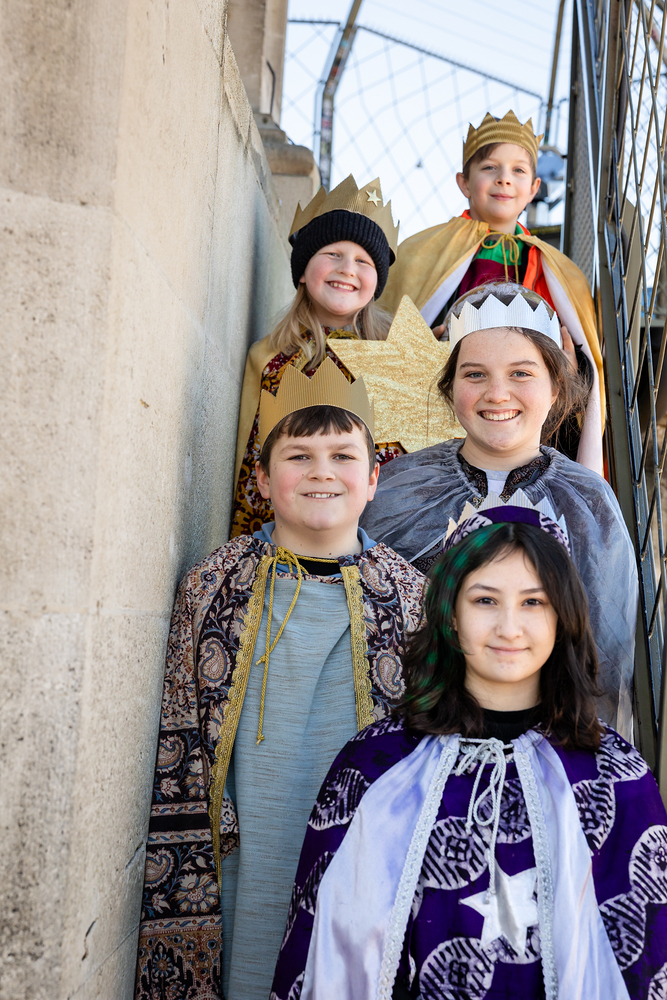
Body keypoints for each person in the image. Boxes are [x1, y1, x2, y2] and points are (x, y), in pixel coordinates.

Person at [271, 499, 667, 1000]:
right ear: (451, 615)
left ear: (563, 617)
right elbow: (316, 947)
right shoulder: (373, 764)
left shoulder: (615, 774)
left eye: (534, 602)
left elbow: (648, 956)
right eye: (485, 600)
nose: (509, 627)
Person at [134, 359, 425, 1000]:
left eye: (343, 457)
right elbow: (183, 725)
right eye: (299, 457)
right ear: (262, 480)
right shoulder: (215, 584)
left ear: (373, 479)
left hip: (357, 842)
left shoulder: (410, 598)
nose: (322, 472)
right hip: (247, 838)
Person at [361, 283, 637, 737]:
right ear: (450, 388)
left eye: (521, 373)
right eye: (474, 374)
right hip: (410, 730)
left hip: (545, 737)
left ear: (556, 387)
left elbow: (605, 650)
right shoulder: (398, 488)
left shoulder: (589, 503)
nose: (497, 393)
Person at [379, 110, 604, 474]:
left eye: (518, 170)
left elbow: (582, 353)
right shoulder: (422, 253)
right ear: (464, 182)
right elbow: (392, 339)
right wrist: (422, 347)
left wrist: (570, 367)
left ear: (534, 188)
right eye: (489, 168)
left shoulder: (561, 271)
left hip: (528, 415)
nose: (504, 179)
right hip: (446, 403)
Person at [231, 173, 401, 538]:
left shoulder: (396, 359)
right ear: (303, 272)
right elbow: (251, 460)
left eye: (363, 261)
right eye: (333, 254)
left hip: (377, 536)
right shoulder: (270, 356)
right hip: (287, 534)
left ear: (377, 282)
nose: (347, 269)